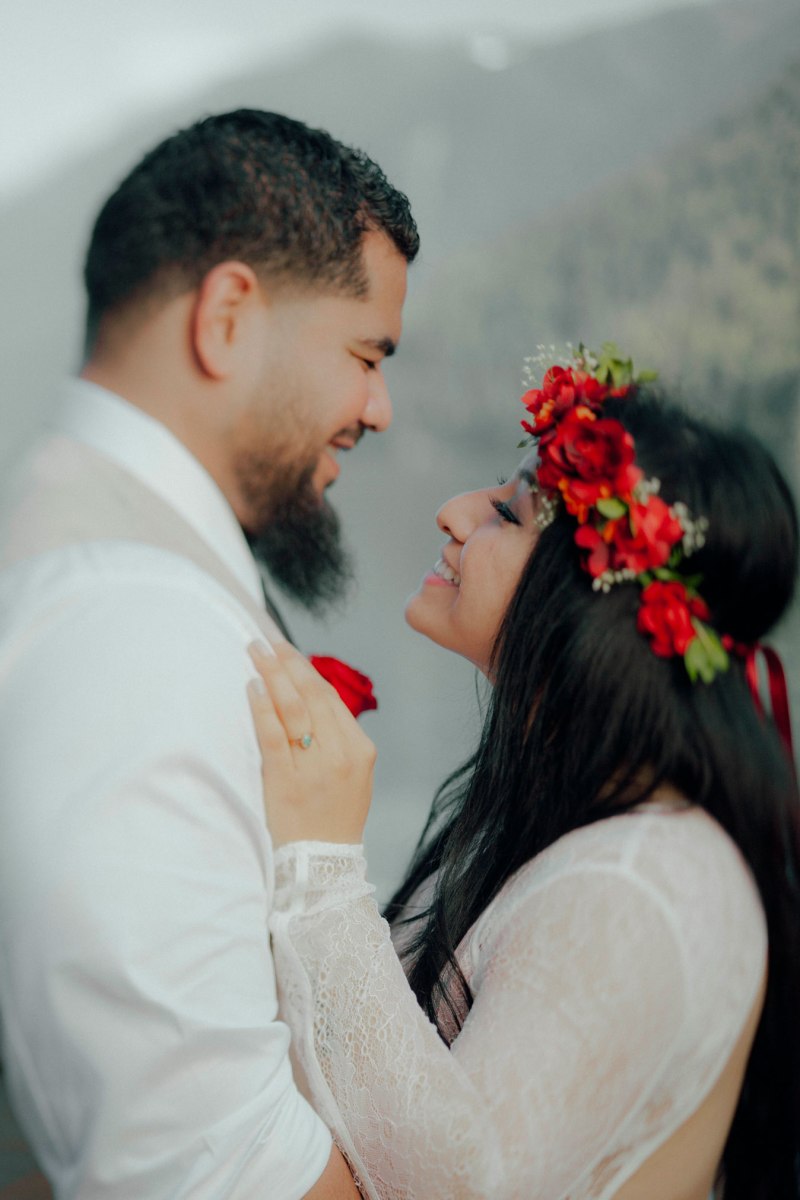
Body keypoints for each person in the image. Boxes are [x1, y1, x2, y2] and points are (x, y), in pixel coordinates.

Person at [247, 346, 800, 1200]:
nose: (453, 513)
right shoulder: (601, 832)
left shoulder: (643, 880)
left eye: (510, 512)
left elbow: (466, 1185)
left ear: (600, 598)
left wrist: (321, 863)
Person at [0, 109, 417, 1198]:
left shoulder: (105, 568)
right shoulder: (127, 624)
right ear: (229, 316)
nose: (379, 408)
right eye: (365, 353)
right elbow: (204, 1169)